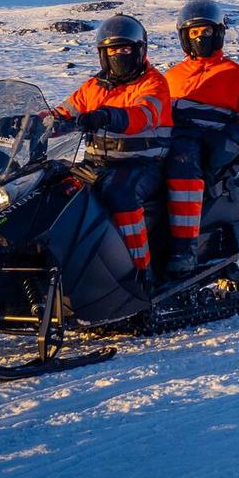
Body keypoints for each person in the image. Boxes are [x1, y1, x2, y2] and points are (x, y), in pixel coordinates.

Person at [47, 15, 172, 282]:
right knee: (55, 187)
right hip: (98, 163)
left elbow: (143, 115)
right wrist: (30, 123)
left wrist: (108, 116)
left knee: (120, 194)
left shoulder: (153, 83)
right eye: (113, 50)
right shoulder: (94, 86)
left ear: (140, 50)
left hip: (141, 165)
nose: (119, 55)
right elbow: (64, 112)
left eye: (125, 49)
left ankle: (140, 273)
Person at [163, 0, 239, 279]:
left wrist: (236, 132)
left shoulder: (236, 76)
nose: (200, 38)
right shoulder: (172, 76)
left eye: (206, 32)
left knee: (182, 160)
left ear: (218, 33)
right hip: (172, 142)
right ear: (184, 37)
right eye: (194, 33)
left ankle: (184, 247)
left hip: (211, 149)